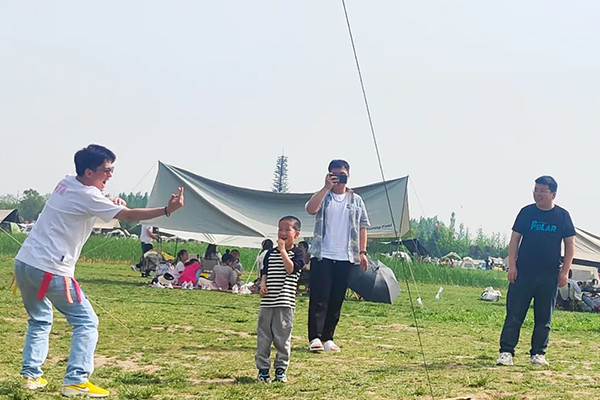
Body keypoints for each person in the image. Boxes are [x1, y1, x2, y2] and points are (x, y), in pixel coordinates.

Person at [14, 144, 184, 397]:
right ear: (89, 172)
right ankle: (76, 381)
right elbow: (128, 215)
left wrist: (109, 201)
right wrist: (167, 210)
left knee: (39, 319)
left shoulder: (67, 182)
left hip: (24, 263)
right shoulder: (88, 196)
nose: (111, 174)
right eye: (107, 170)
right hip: (51, 269)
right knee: (86, 322)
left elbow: (91, 202)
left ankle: (31, 376)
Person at [496, 176, 575, 367]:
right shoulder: (526, 213)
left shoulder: (562, 216)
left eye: (542, 191)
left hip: (549, 275)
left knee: (544, 317)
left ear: (553, 194)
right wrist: (512, 266)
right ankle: (506, 352)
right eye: (536, 190)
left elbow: (570, 244)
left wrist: (565, 271)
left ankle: (538, 353)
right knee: (514, 314)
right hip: (523, 273)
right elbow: (514, 240)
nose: (537, 194)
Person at [305, 159, 370, 353]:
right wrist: (326, 187)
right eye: (335, 175)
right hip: (322, 254)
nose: (339, 179)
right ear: (328, 175)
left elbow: (363, 226)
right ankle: (315, 337)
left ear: (348, 175)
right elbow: (310, 209)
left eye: (342, 175)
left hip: (346, 256)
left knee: (337, 298)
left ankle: (328, 337)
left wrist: (362, 252)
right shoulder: (323, 196)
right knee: (319, 297)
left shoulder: (356, 200)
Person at [255, 216, 305, 383]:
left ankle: (281, 369)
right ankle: (263, 370)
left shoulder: (298, 253)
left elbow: (291, 269)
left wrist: (283, 251)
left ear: (296, 234)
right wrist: (263, 284)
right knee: (263, 336)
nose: (282, 233)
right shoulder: (270, 253)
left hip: (285, 302)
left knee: (282, 337)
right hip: (267, 302)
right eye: (280, 229)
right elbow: (265, 272)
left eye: (287, 230)